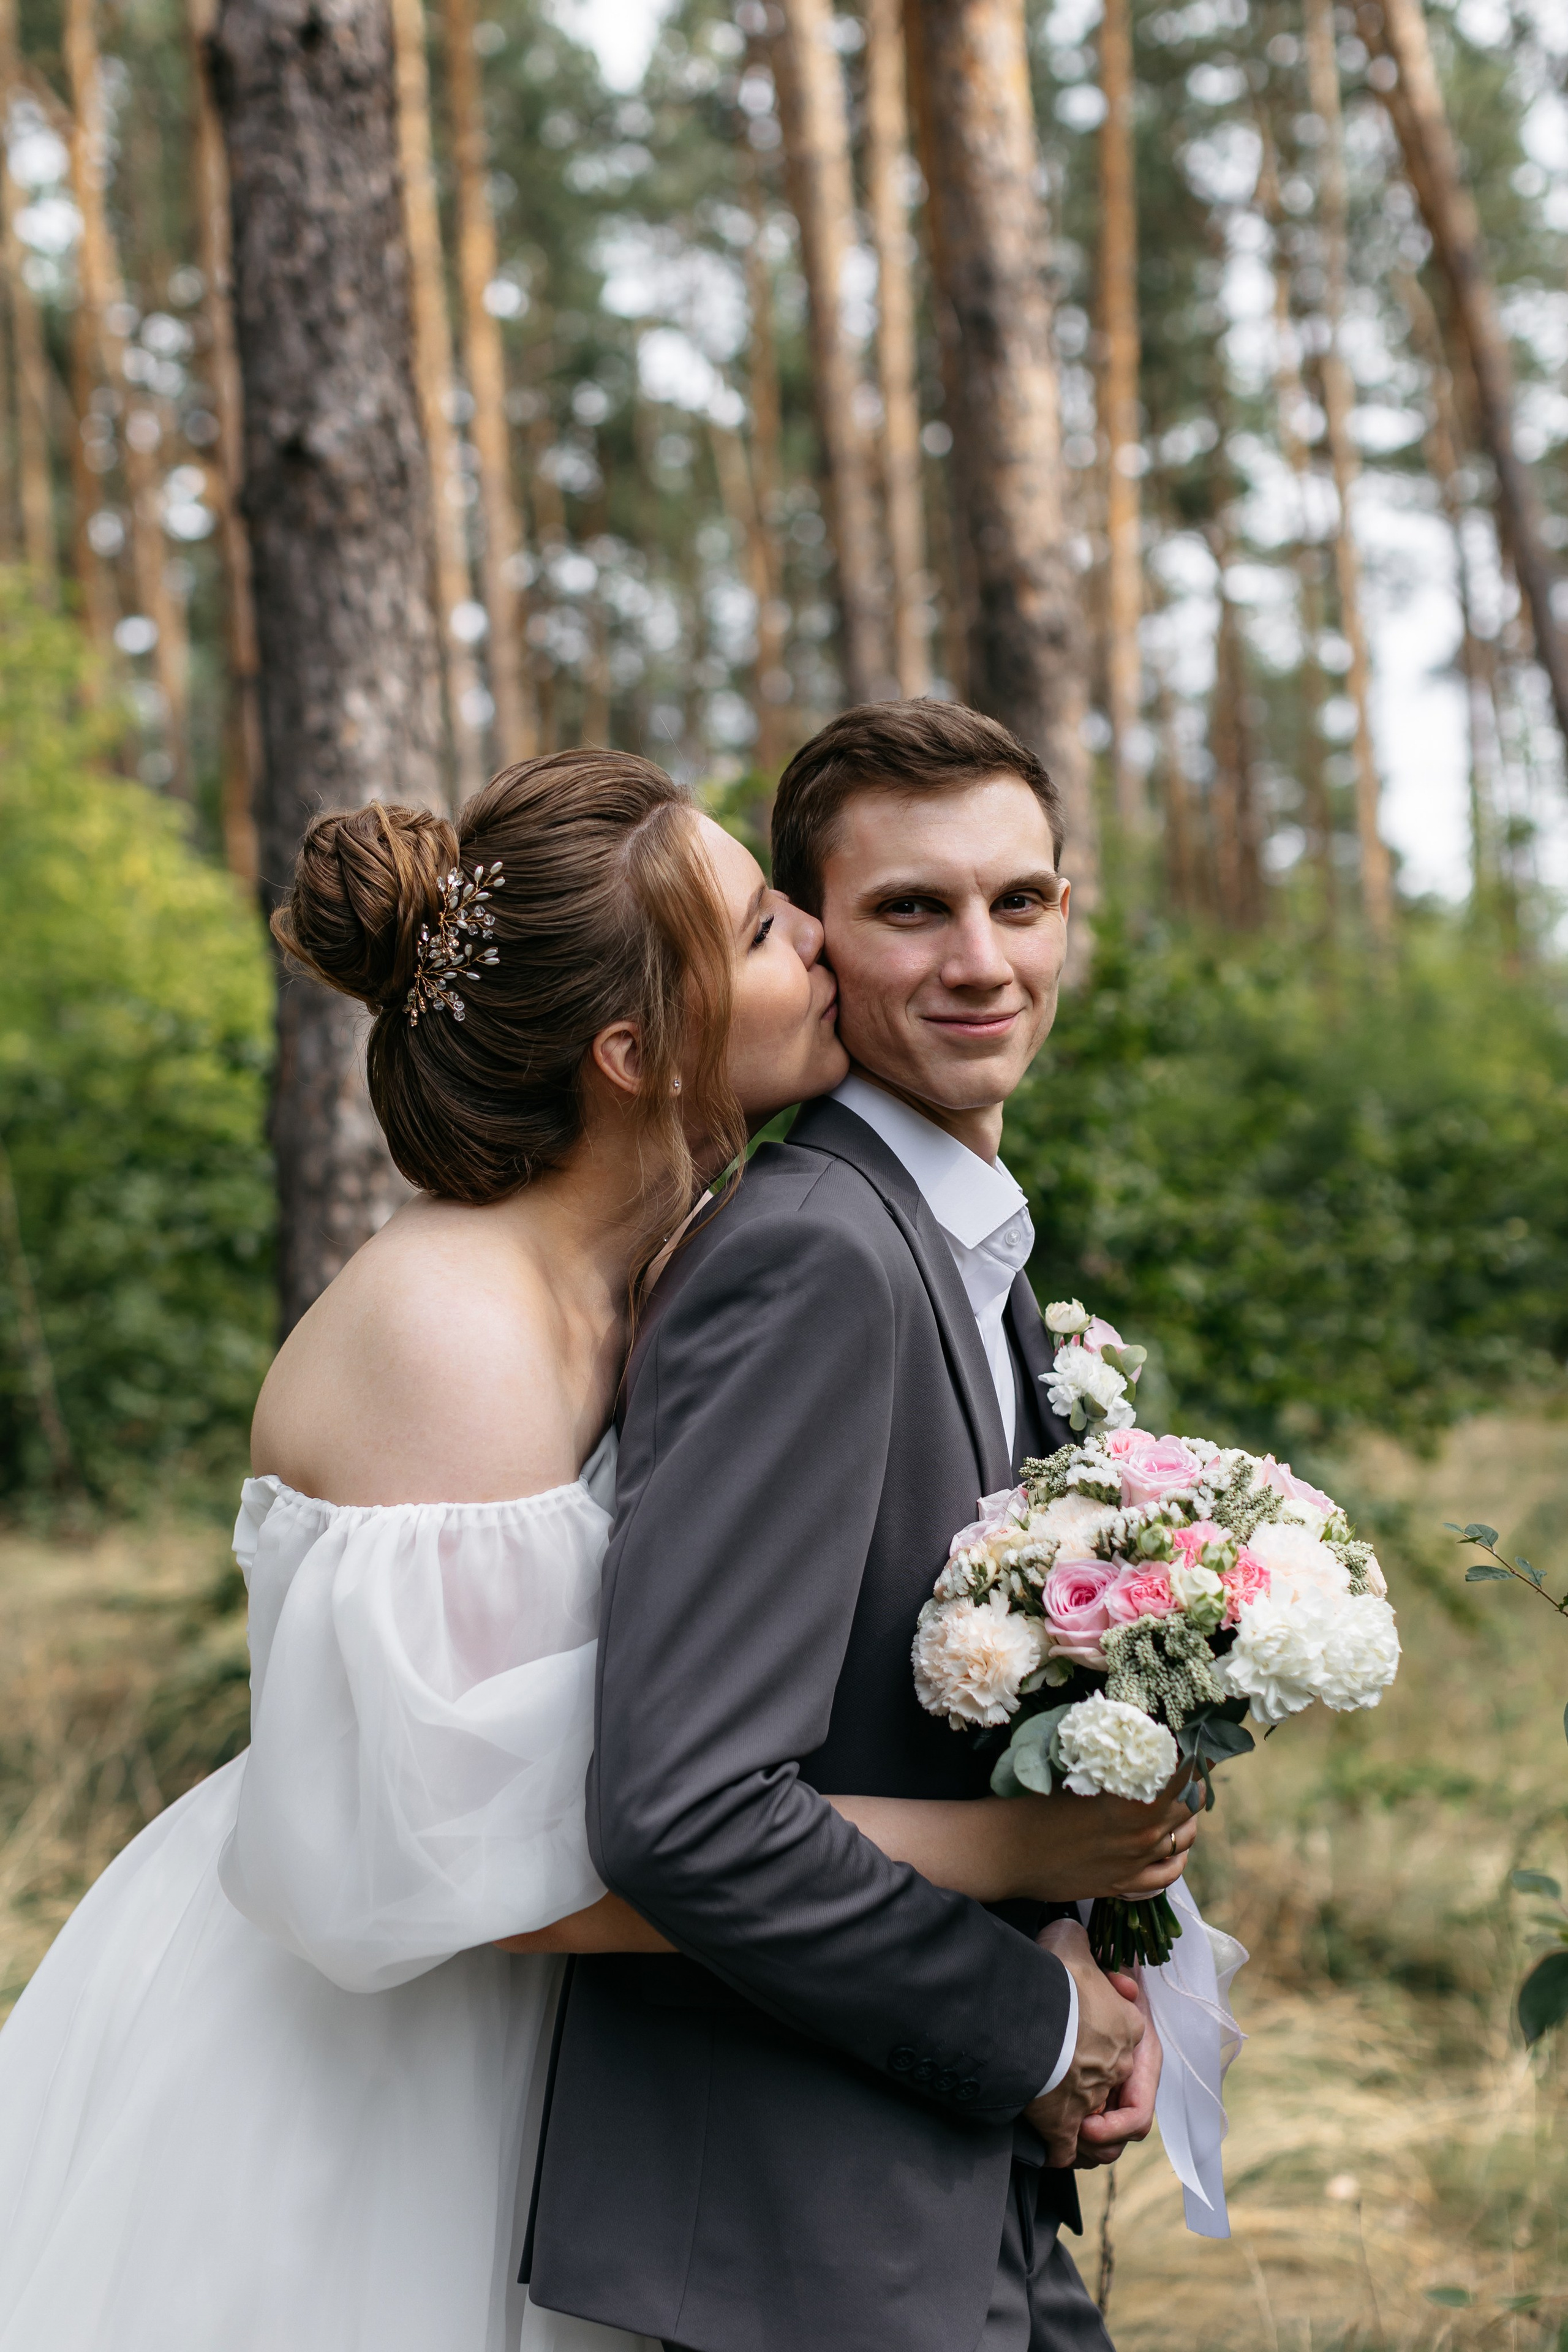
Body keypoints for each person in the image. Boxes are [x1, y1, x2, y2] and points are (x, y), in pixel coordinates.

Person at [0, 747, 1191, 2352]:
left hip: (623, 2034)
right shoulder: (450, 1335)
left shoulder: (672, 1258)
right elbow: (456, 1866)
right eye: (774, 930)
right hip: (390, 2051)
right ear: (639, 1047)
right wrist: (1008, 1864)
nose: (832, 950)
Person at [526, 703, 1198, 2352]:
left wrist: (1088, 1957)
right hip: (802, 2231)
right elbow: (688, 1811)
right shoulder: (813, 1256)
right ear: (812, 943)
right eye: (913, 910)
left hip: (945, 2191)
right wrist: (1030, 2027)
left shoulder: (958, 1246)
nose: (983, 961)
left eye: (1020, 901)